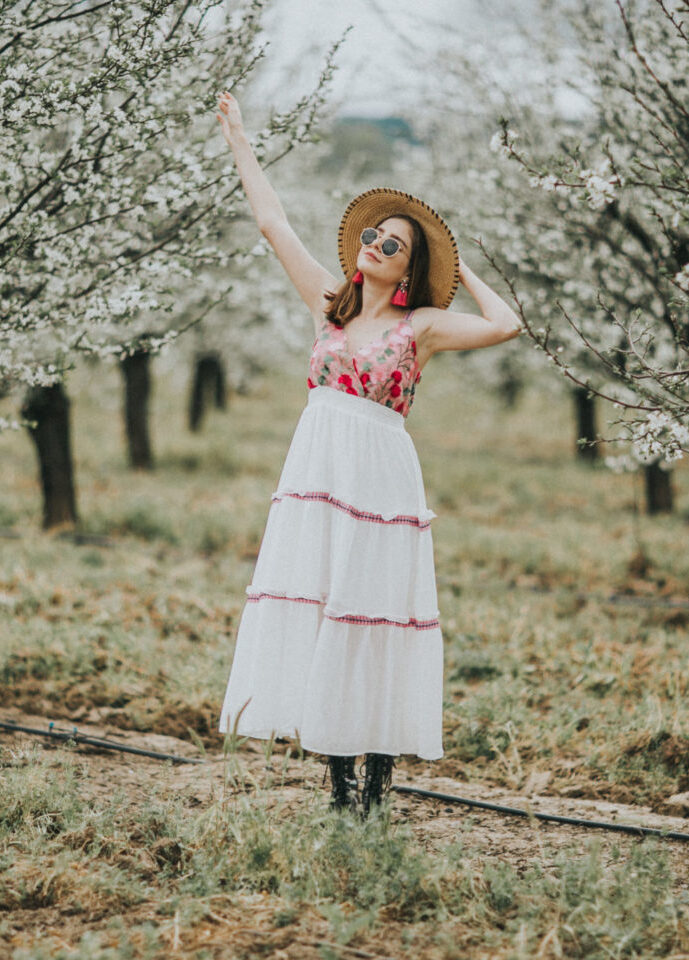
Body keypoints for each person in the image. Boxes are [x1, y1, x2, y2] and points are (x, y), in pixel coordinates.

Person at [215, 91, 523, 816]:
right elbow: (272, 223)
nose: (375, 247)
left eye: (394, 246)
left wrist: (460, 267)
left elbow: (507, 325)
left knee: (375, 613)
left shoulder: (423, 327)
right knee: (324, 606)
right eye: (373, 238)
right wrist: (237, 137)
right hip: (317, 471)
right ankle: (338, 784)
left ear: (409, 271)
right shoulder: (329, 303)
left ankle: (379, 777)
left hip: (380, 474)